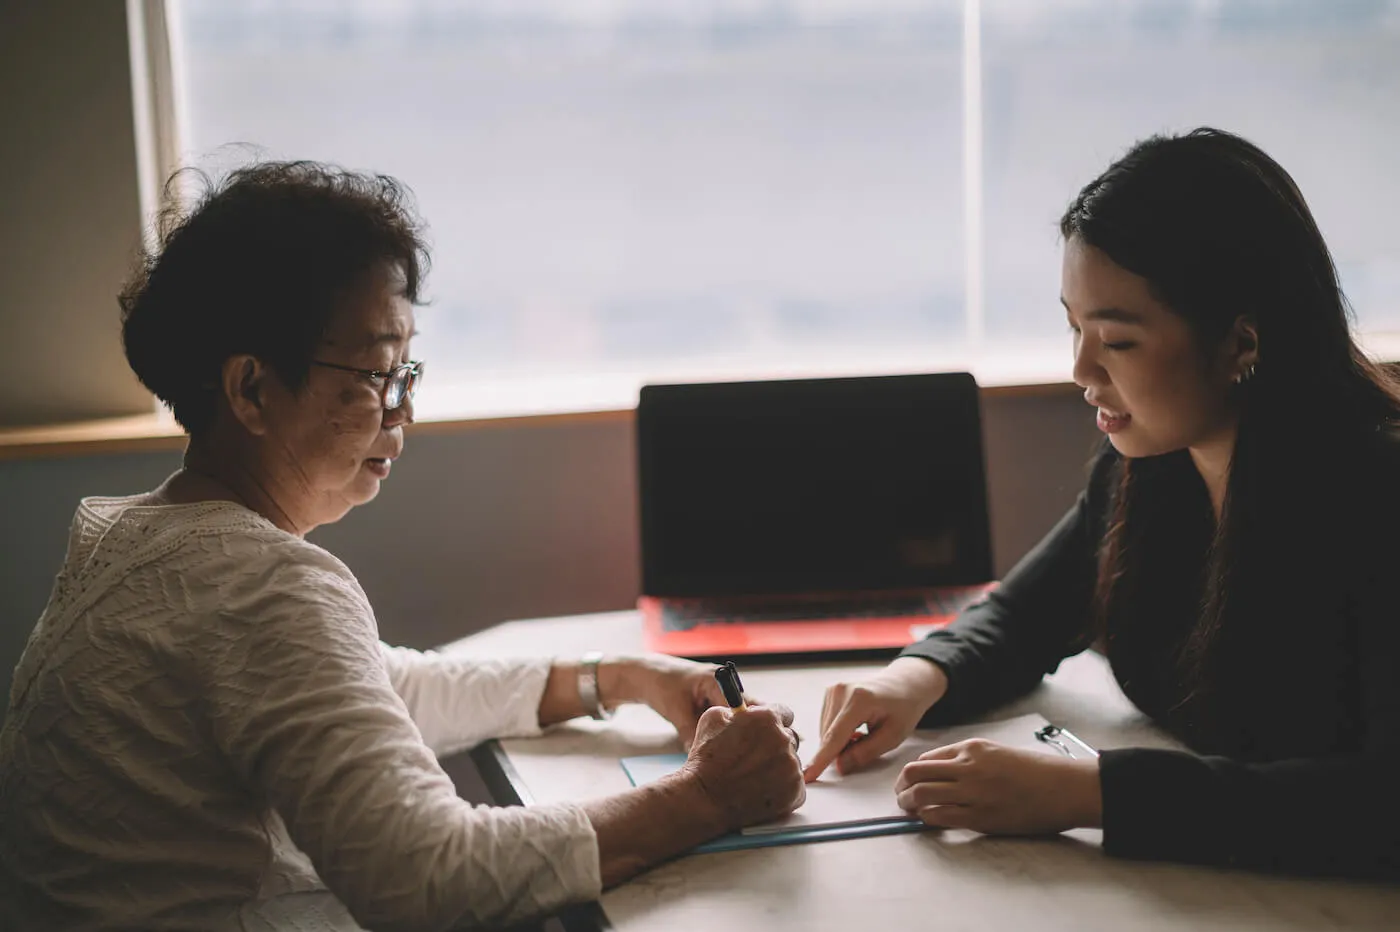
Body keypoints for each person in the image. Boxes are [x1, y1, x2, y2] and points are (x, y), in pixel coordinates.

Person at [0, 162, 806, 931]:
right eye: (379, 372)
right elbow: (428, 878)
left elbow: (377, 689)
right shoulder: (259, 585)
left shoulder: (140, 542)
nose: (403, 410)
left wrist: (619, 678)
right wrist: (709, 796)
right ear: (251, 387)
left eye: (407, 371)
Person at [805, 127, 1400, 879]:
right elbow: (1024, 615)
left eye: (1116, 341)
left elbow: (1383, 804)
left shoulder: (1376, 501)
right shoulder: (1147, 468)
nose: (1081, 369)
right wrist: (910, 681)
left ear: (1241, 343)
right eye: (1072, 326)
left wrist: (1091, 795)